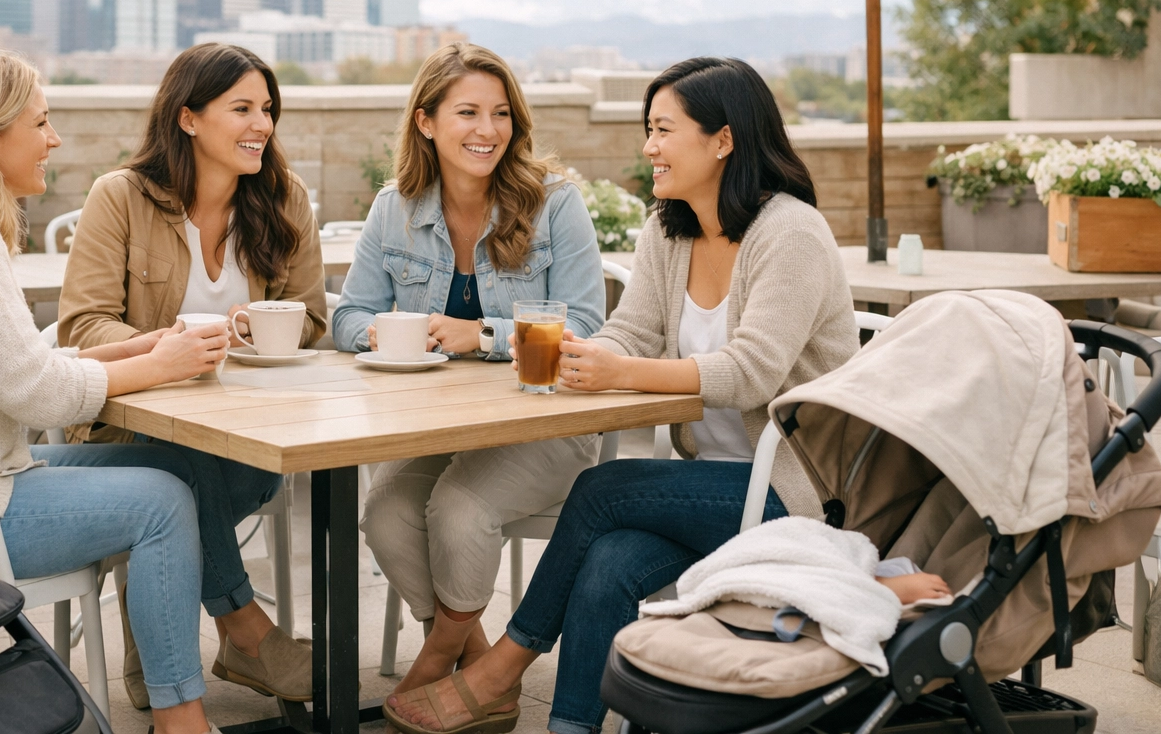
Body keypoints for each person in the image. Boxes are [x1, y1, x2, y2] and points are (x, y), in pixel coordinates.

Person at [383, 57, 859, 734]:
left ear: (723, 140)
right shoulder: (670, 229)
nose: (648, 147)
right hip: (714, 486)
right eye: (648, 129)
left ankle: (498, 671)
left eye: (664, 130)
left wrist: (620, 372)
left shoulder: (791, 233)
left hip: (798, 493)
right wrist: (584, 357)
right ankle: (570, 727)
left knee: (602, 491)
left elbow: (750, 372)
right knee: (607, 562)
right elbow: (630, 331)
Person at [0, 50, 231, 734]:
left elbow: (12, 364)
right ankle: (183, 722)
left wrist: (132, 349)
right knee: (163, 502)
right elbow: (37, 394)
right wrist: (161, 365)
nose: (53, 139)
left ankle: (205, 648)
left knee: (183, 468)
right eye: (41, 122)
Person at [333, 43, 605, 697]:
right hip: (442, 425)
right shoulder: (394, 207)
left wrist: (482, 334)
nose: (488, 130)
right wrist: (382, 331)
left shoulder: (555, 204)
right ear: (425, 121)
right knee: (386, 513)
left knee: (457, 510)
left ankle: (437, 662)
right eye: (468, 113)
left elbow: (587, 328)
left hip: (546, 424)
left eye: (501, 113)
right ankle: (476, 662)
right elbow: (347, 318)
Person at [58, 42, 322, 707]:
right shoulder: (120, 196)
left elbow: (312, 316)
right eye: (242, 108)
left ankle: (159, 628)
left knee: (190, 479)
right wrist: (167, 350)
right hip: (133, 430)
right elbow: (82, 328)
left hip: (249, 434)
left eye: (268, 109)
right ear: (188, 118)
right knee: (173, 466)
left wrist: (258, 328)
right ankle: (244, 628)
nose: (262, 125)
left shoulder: (284, 199)